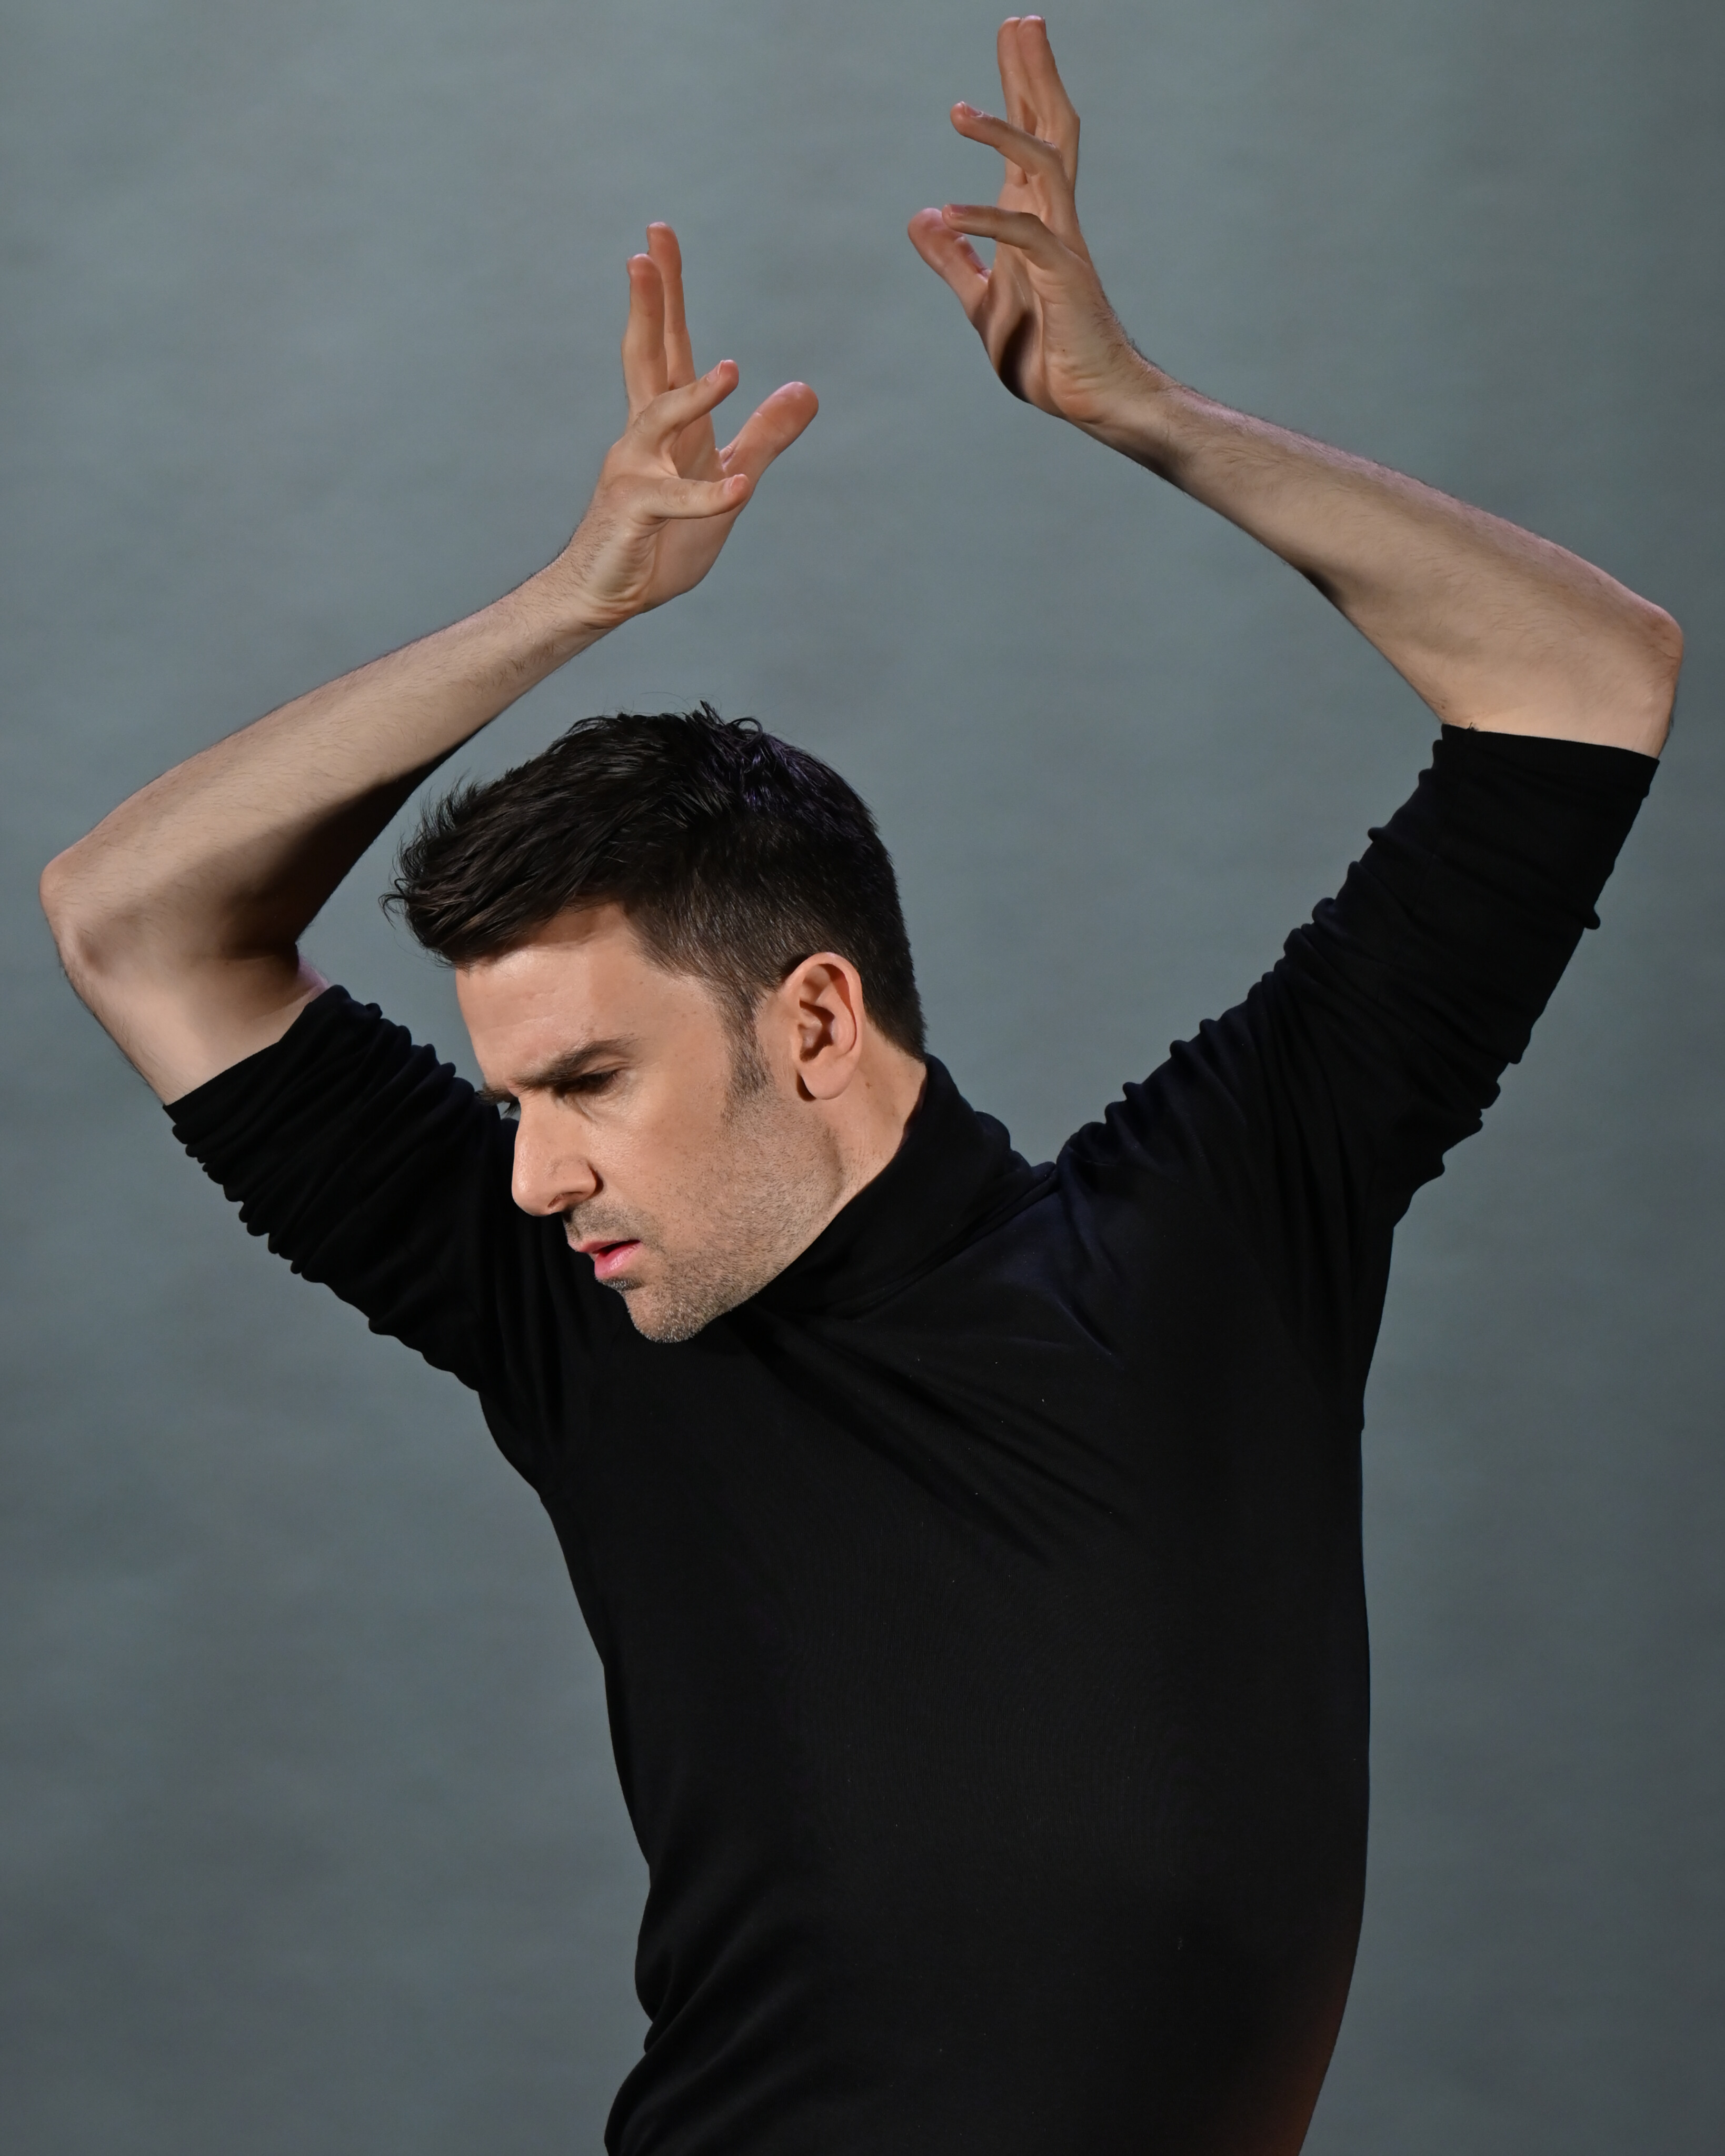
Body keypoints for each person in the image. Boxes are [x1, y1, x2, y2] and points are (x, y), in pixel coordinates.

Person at [41, 15, 1680, 2154]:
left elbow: (1583, 678)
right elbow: (129, 916)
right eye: (513, 1102)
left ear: (812, 1022)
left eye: (588, 1079)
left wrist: (1147, 413)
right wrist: (572, 603)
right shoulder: (568, 1316)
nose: (530, 1173)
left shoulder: (1211, 1232)